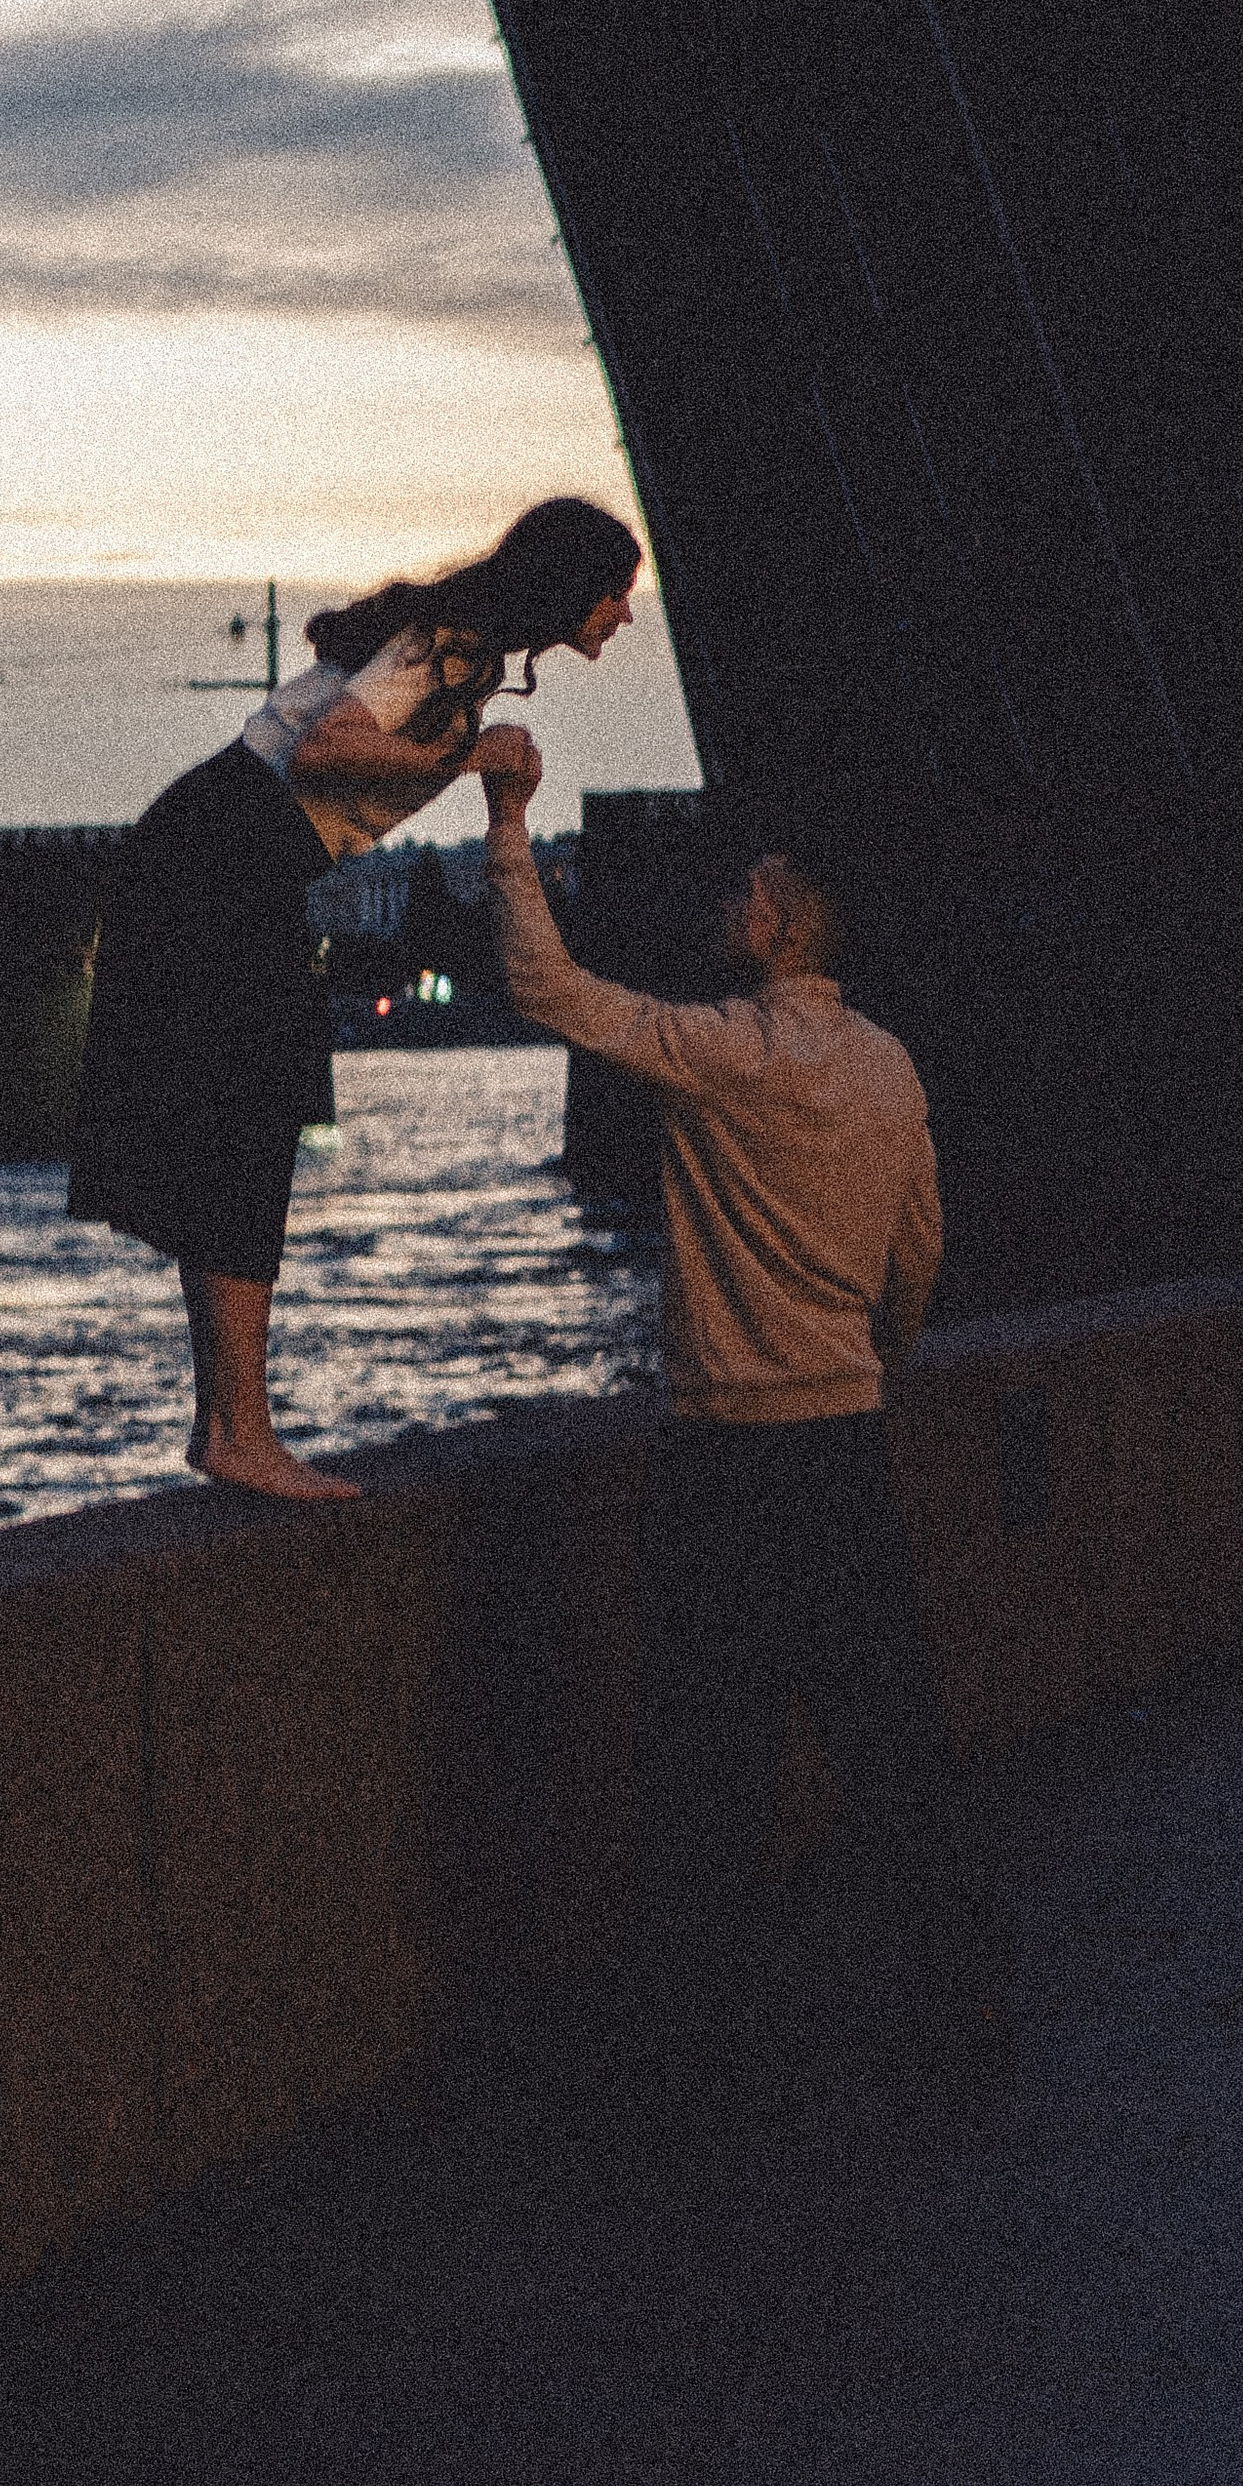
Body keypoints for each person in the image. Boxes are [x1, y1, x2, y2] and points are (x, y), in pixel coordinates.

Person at [476, 730, 959, 2064]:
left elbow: (550, 990)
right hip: (846, 1448)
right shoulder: (893, 1069)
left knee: (706, 1767)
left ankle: (699, 2049)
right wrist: (876, 1364)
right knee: (894, 1754)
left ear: (780, 923)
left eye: (748, 888)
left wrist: (510, 824)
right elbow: (916, 1259)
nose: (730, 901)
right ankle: (960, 2015)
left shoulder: (725, 1053)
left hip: (729, 1462)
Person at [68, 499, 642, 1501]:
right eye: (616, 594)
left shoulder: (463, 648)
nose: (625, 616)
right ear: (571, 588)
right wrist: (472, 759)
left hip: (221, 848)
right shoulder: (457, 646)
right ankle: (241, 1433)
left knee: (240, 1122)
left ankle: (227, 1427)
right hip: (225, 852)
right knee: (249, 1120)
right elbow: (327, 749)